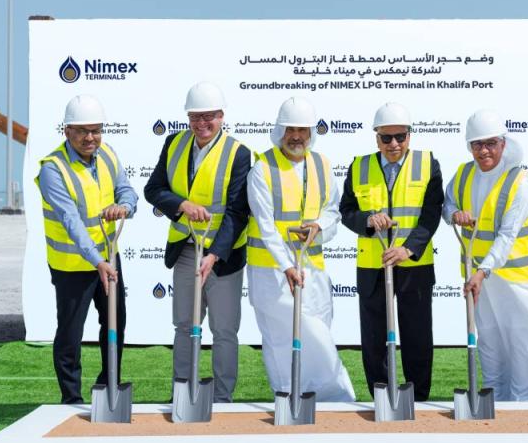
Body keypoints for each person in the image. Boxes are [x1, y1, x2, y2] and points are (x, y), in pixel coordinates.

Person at [144, 81, 251, 403]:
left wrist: (215, 255)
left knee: (224, 330)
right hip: (186, 249)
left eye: (209, 117)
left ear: (221, 117)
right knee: (184, 325)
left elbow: (238, 212)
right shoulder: (174, 143)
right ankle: (182, 392)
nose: (201, 123)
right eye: (195, 117)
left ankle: (221, 397)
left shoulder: (238, 153)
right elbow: (154, 189)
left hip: (223, 256)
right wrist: (182, 205)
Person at [246, 97, 354, 401]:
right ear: (280, 131)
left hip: (313, 269)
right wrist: (287, 266)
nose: (296, 136)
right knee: (281, 340)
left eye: (302, 130)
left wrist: (319, 225)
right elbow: (265, 225)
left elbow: (332, 210)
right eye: (290, 130)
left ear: (311, 133)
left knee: (319, 334)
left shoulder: (322, 164)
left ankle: (328, 401)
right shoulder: (263, 168)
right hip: (272, 273)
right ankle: (289, 396)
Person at [442, 109, 528, 401]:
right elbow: (447, 203)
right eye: (477, 144)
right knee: (490, 345)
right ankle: (495, 404)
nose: (484, 151)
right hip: (480, 280)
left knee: (525, 348)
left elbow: (507, 235)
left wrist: (482, 271)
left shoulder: (520, 182)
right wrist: (454, 214)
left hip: (517, 281)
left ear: (503, 143)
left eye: (491, 143)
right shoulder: (464, 174)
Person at [36, 94, 138, 404]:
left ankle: (108, 386)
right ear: (67, 131)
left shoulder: (107, 155)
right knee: (70, 332)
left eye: (95, 130)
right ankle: (71, 398)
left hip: (108, 258)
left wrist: (124, 206)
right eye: (82, 131)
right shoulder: (53, 169)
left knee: (115, 322)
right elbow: (71, 221)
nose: (90, 137)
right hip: (72, 265)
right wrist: (97, 260)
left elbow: (127, 190)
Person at [339, 102, 444, 401]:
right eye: (386, 137)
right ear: (377, 138)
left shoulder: (427, 163)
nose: (394, 143)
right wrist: (367, 221)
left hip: (414, 265)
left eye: (400, 136)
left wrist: (408, 249)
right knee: (374, 338)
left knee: (417, 335)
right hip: (372, 265)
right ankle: (382, 398)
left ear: (410, 136)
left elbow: (431, 214)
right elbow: (346, 211)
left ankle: (417, 398)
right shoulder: (359, 166)